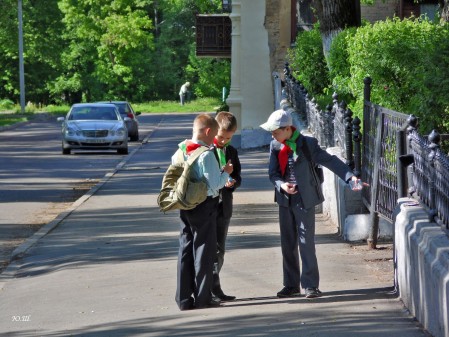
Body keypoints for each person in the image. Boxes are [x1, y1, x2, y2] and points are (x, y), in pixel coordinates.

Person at [260, 109, 362, 299]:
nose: (272, 135)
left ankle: (310, 285)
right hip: (285, 199)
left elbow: (331, 161)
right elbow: (273, 174)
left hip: (304, 199)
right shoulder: (275, 145)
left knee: (306, 242)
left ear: (288, 129)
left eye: (275, 131)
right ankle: (290, 285)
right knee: (287, 242)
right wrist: (282, 185)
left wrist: (350, 178)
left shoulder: (307, 144)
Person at [174, 113, 233, 311]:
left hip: (184, 204)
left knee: (185, 249)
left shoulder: (181, 149)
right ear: (208, 132)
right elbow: (215, 184)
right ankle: (202, 297)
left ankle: (183, 298)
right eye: (214, 134)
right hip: (205, 204)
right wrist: (227, 172)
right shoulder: (205, 154)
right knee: (204, 251)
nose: (215, 138)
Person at [211, 111, 242, 301]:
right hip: (208, 205)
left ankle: (216, 287)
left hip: (225, 205)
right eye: (221, 136)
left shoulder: (231, 151)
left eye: (228, 138)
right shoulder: (207, 150)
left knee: (219, 249)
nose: (223, 141)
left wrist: (233, 182)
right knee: (208, 249)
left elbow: (238, 176)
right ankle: (208, 287)